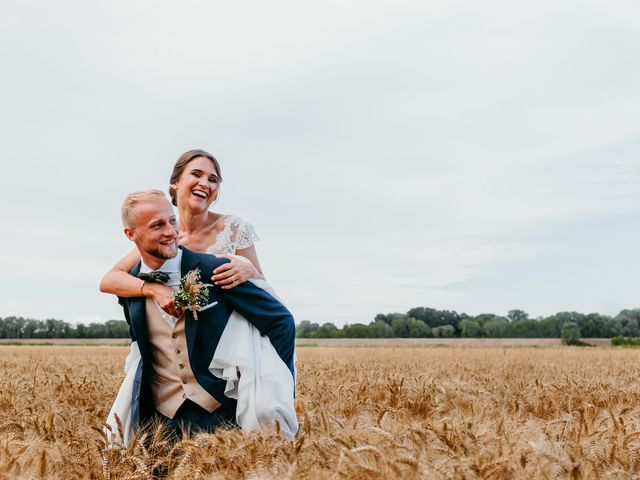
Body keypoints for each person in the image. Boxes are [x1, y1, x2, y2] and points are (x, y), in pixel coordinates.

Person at [106, 190, 296, 441]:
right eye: (157, 225)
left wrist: (274, 388)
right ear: (131, 234)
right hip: (158, 421)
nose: (170, 231)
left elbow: (281, 322)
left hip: (220, 416)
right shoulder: (130, 286)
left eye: (172, 221)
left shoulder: (215, 269)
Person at [100, 149, 262, 318]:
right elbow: (110, 280)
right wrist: (154, 289)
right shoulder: (166, 237)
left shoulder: (233, 229)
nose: (205, 183)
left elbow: (263, 288)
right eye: (196, 174)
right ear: (175, 182)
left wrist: (251, 271)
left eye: (212, 180)